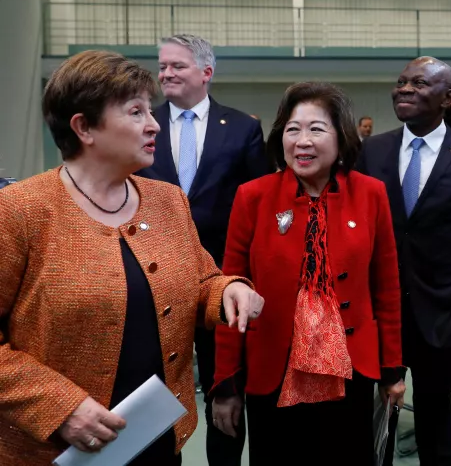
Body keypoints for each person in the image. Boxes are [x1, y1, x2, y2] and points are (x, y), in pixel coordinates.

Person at [0, 50, 264, 465]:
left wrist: (229, 290)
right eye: (136, 111)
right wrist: (59, 407)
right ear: (84, 127)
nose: (155, 123)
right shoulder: (21, 211)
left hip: (157, 436)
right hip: (56, 448)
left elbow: (202, 281)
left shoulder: (168, 201)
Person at [212, 82, 405, 465]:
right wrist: (226, 385)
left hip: (351, 371)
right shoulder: (253, 197)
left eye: (316, 129)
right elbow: (229, 292)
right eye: (292, 129)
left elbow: (387, 288)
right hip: (273, 370)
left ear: (341, 138)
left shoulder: (371, 194)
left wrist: (392, 370)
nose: (302, 140)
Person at [356, 56, 451, 466]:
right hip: (379, 310)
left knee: (435, 426)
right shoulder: (374, 149)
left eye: (419, 83)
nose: (404, 89)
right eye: (401, 82)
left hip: (441, 313)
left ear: (447, 99)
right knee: (377, 420)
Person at [137, 34, 270, 465]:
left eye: (177, 66)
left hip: (222, 281)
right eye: (163, 66)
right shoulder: (143, 124)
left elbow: (260, 202)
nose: (166, 74)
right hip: (153, 279)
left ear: (206, 72)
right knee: (152, 389)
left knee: (225, 389)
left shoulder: (244, 127)